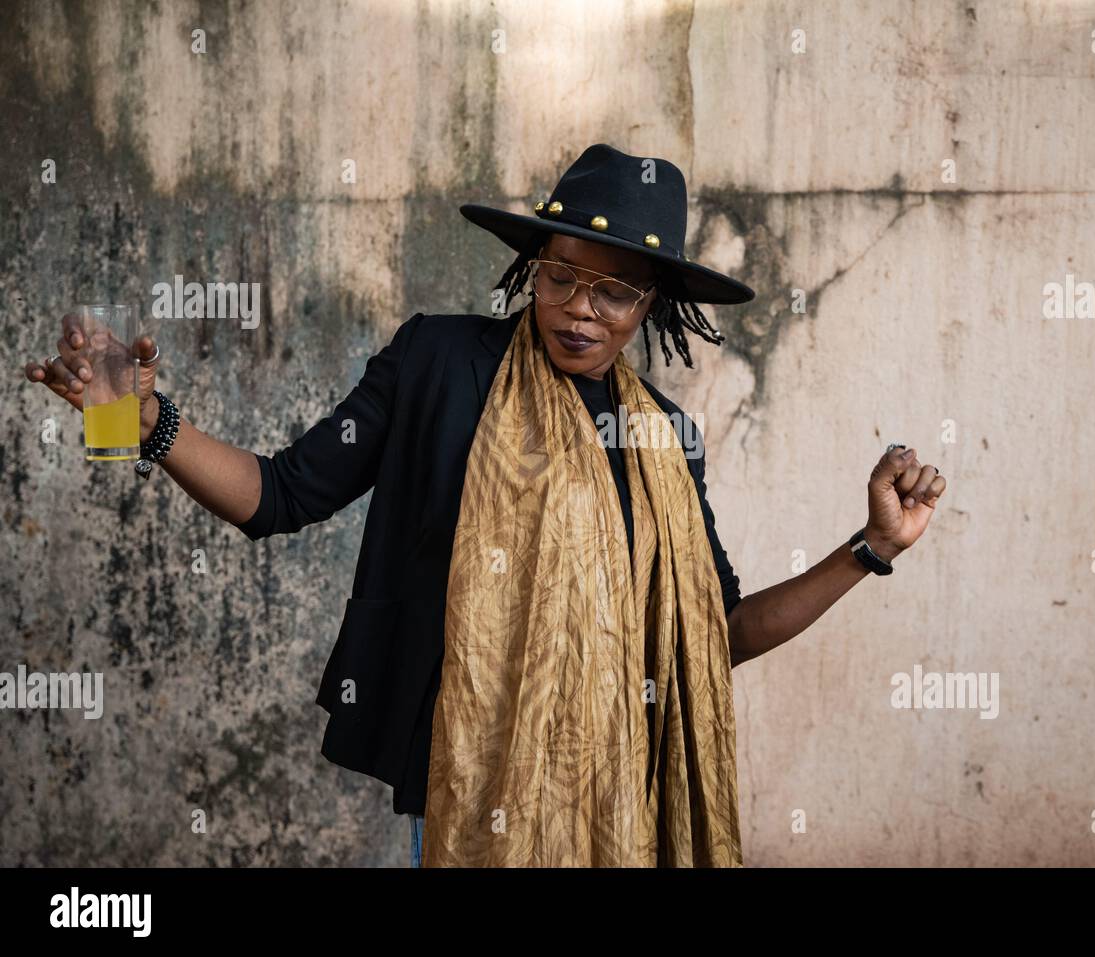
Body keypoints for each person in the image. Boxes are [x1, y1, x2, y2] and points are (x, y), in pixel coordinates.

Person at [24, 144, 947, 867]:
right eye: (559, 275)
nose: (580, 308)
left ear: (650, 305)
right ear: (530, 271)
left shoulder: (663, 437)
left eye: (614, 289)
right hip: (469, 785)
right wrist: (134, 418)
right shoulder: (438, 364)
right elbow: (279, 495)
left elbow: (714, 636)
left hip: (618, 800)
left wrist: (869, 547)